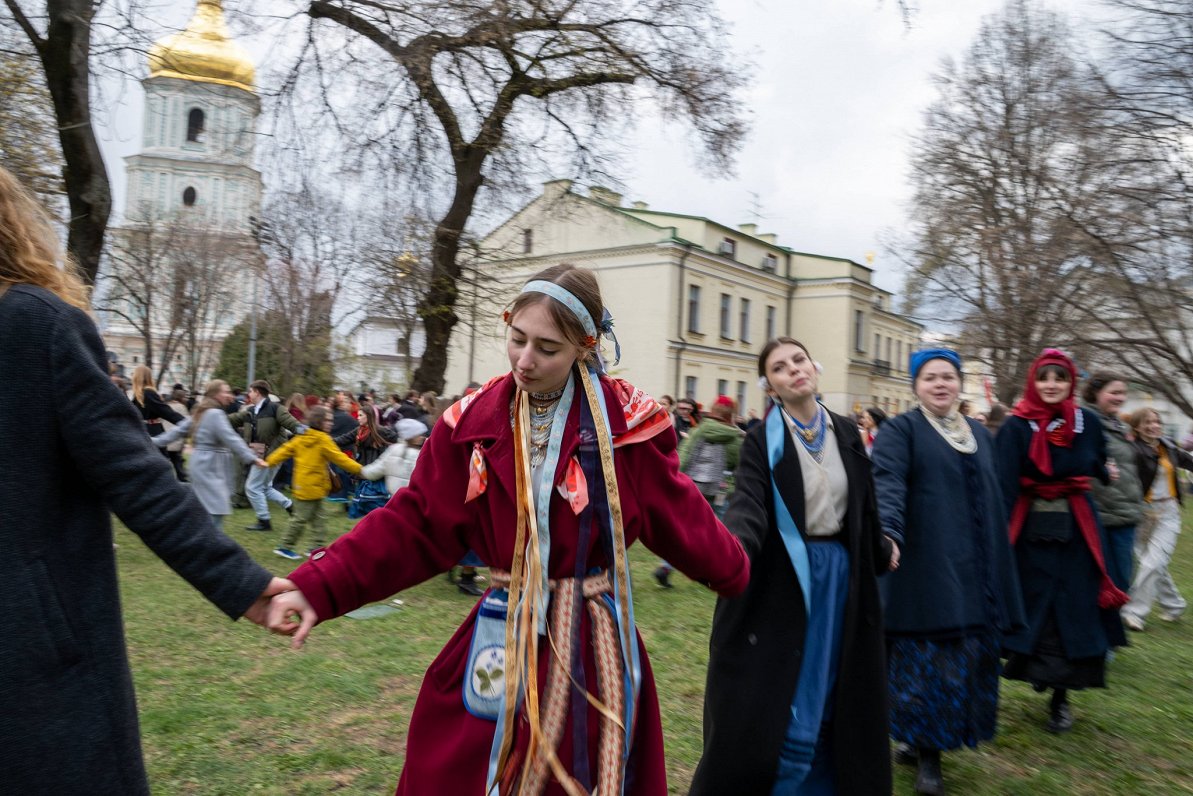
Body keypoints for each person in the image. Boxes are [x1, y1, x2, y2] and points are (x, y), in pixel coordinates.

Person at [266, 263, 749, 794]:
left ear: (585, 347)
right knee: (456, 770)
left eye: (547, 348)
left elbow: (682, 520)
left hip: (590, 648)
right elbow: (415, 524)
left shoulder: (623, 429)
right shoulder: (473, 423)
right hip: (501, 635)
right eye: (517, 339)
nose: (525, 359)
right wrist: (321, 586)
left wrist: (740, 574)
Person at [0, 164, 292, 794]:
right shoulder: (36, 322)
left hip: (26, 660)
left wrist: (240, 582)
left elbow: (137, 476)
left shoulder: (26, 326)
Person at [692, 337, 893, 796]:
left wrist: (880, 549)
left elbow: (863, 506)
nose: (794, 370)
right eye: (780, 368)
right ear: (772, 387)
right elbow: (749, 506)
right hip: (786, 581)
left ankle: (827, 780)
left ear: (814, 368)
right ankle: (784, 780)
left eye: (799, 360)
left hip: (840, 581)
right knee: (786, 688)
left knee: (833, 683)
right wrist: (735, 549)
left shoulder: (846, 431)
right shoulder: (764, 440)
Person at [871, 349, 1025, 796]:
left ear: (959, 383)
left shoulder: (977, 432)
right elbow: (888, 483)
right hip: (926, 565)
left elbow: (994, 495)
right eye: (930, 378)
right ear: (915, 386)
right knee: (929, 662)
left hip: (975, 566)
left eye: (948, 377)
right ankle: (928, 760)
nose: (940, 385)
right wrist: (890, 533)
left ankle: (921, 739)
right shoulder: (902, 431)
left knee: (965, 658)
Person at [997, 349, 1128, 734]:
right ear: (1033, 382)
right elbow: (1003, 481)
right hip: (1028, 530)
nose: (1052, 385)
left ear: (1071, 383)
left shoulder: (1086, 421)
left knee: (1073, 606)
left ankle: (1060, 697)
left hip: (1076, 530)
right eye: (1044, 378)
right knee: (1031, 603)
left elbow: (1096, 460)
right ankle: (1034, 668)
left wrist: (1104, 471)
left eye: (1060, 378)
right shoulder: (1016, 426)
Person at [653, 396, 745, 589]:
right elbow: (739, 466)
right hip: (720, 490)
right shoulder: (737, 437)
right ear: (731, 415)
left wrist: (674, 480)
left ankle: (666, 566)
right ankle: (719, 572)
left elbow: (683, 455)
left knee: (686, 529)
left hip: (694, 487)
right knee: (723, 530)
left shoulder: (698, 430)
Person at [153, 381, 269, 532]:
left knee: (206, 509)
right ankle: (208, 545)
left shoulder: (200, 412)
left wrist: (150, 441)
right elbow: (231, 438)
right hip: (211, 467)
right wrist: (252, 458)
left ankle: (200, 540)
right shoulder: (215, 414)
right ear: (215, 394)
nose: (230, 396)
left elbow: (173, 434)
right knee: (214, 512)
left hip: (201, 465)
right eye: (226, 392)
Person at [1120, 408, 1193, 631]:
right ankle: (1174, 605)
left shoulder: (1168, 446)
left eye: (1157, 421)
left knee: (1154, 562)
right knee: (1152, 565)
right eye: (1147, 422)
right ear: (1137, 426)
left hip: (1168, 513)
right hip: (1142, 514)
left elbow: (1188, 461)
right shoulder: (1132, 450)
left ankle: (1134, 613)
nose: (1154, 426)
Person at [264, 405, 364, 560]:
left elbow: (285, 450)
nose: (331, 423)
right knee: (300, 519)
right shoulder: (323, 440)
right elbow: (340, 458)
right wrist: (360, 470)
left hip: (308, 486)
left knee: (319, 518)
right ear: (319, 421)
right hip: (311, 487)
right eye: (328, 421)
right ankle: (285, 547)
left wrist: (268, 461)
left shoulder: (301, 437)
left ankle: (316, 548)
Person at [1082, 373, 1145, 592]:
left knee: (1121, 583)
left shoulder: (1117, 423)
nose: (1120, 398)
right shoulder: (1087, 422)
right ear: (1096, 392)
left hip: (1125, 513)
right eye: (1114, 392)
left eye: (1123, 393)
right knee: (1111, 585)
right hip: (1105, 516)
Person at [229, 379, 301, 531]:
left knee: (252, 487)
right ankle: (290, 507)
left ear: (257, 392)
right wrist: (211, 417)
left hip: (270, 456)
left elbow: (293, 424)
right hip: (259, 455)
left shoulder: (276, 408)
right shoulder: (250, 411)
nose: (248, 394)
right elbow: (231, 420)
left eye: (250, 391)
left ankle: (264, 521)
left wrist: (309, 432)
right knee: (265, 487)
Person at [360, 417, 429, 496]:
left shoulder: (394, 449)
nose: (422, 437)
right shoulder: (420, 455)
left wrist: (362, 471)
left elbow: (377, 468)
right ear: (410, 436)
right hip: (415, 499)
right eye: (418, 435)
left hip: (394, 499)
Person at [130, 364, 186, 449]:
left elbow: (166, 412)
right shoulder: (139, 394)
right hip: (146, 431)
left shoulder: (148, 393)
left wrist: (187, 424)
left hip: (152, 432)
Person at [162, 387, 190, 481]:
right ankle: (182, 482)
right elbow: (186, 424)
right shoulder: (182, 407)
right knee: (178, 465)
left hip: (165, 439)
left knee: (165, 464)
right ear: (181, 397)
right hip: (176, 440)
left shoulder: (166, 406)